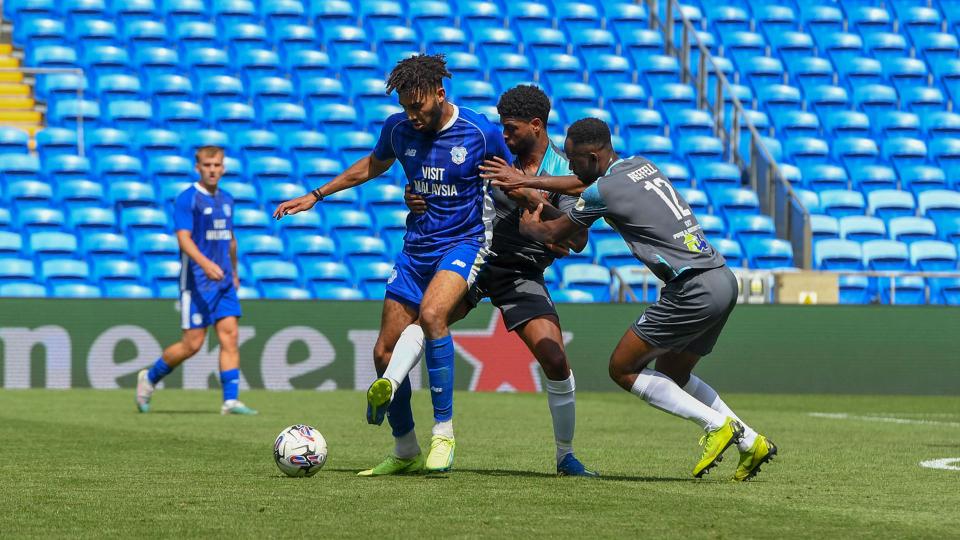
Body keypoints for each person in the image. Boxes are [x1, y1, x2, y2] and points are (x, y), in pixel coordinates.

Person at [272, 54, 511, 474]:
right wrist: (317, 194)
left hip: (464, 242)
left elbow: (512, 179)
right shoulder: (398, 129)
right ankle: (405, 450)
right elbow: (371, 165)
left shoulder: (479, 131)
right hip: (416, 247)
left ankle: (444, 433)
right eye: (405, 106)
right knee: (384, 352)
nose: (411, 114)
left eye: (417, 105)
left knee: (434, 315)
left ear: (440, 93)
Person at [516, 118, 776, 481]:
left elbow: (559, 231)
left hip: (691, 288)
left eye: (574, 159)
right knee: (674, 372)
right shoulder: (641, 164)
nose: (570, 166)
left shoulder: (601, 191)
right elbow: (583, 185)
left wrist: (529, 226)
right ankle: (750, 441)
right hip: (721, 278)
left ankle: (716, 425)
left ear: (592, 156)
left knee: (622, 368)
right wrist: (529, 181)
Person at [379, 85, 598, 477]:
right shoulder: (492, 153)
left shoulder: (566, 172)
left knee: (555, 359)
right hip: (478, 261)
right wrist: (413, 195)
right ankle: (396, 403)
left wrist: (530, 194)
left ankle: (566, 455)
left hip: (522, 274)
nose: (505, 134)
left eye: (512, 128)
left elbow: (577, 239)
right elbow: (444, 184)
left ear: (536, 126)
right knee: (428, 321)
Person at [136, 146, 257, 415]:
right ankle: (150, 377)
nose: (213, 169)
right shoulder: (187, 199)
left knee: (230, 336)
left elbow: (231, 240)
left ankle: (230, 400)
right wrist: (206, 264)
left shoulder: (227, 199)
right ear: (198, 168)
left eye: (217, 165)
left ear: (223, 168)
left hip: (224, 281)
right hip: (197, 282)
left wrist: (234, 272)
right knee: (192, 344)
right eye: (207, 165)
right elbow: (183, 239)